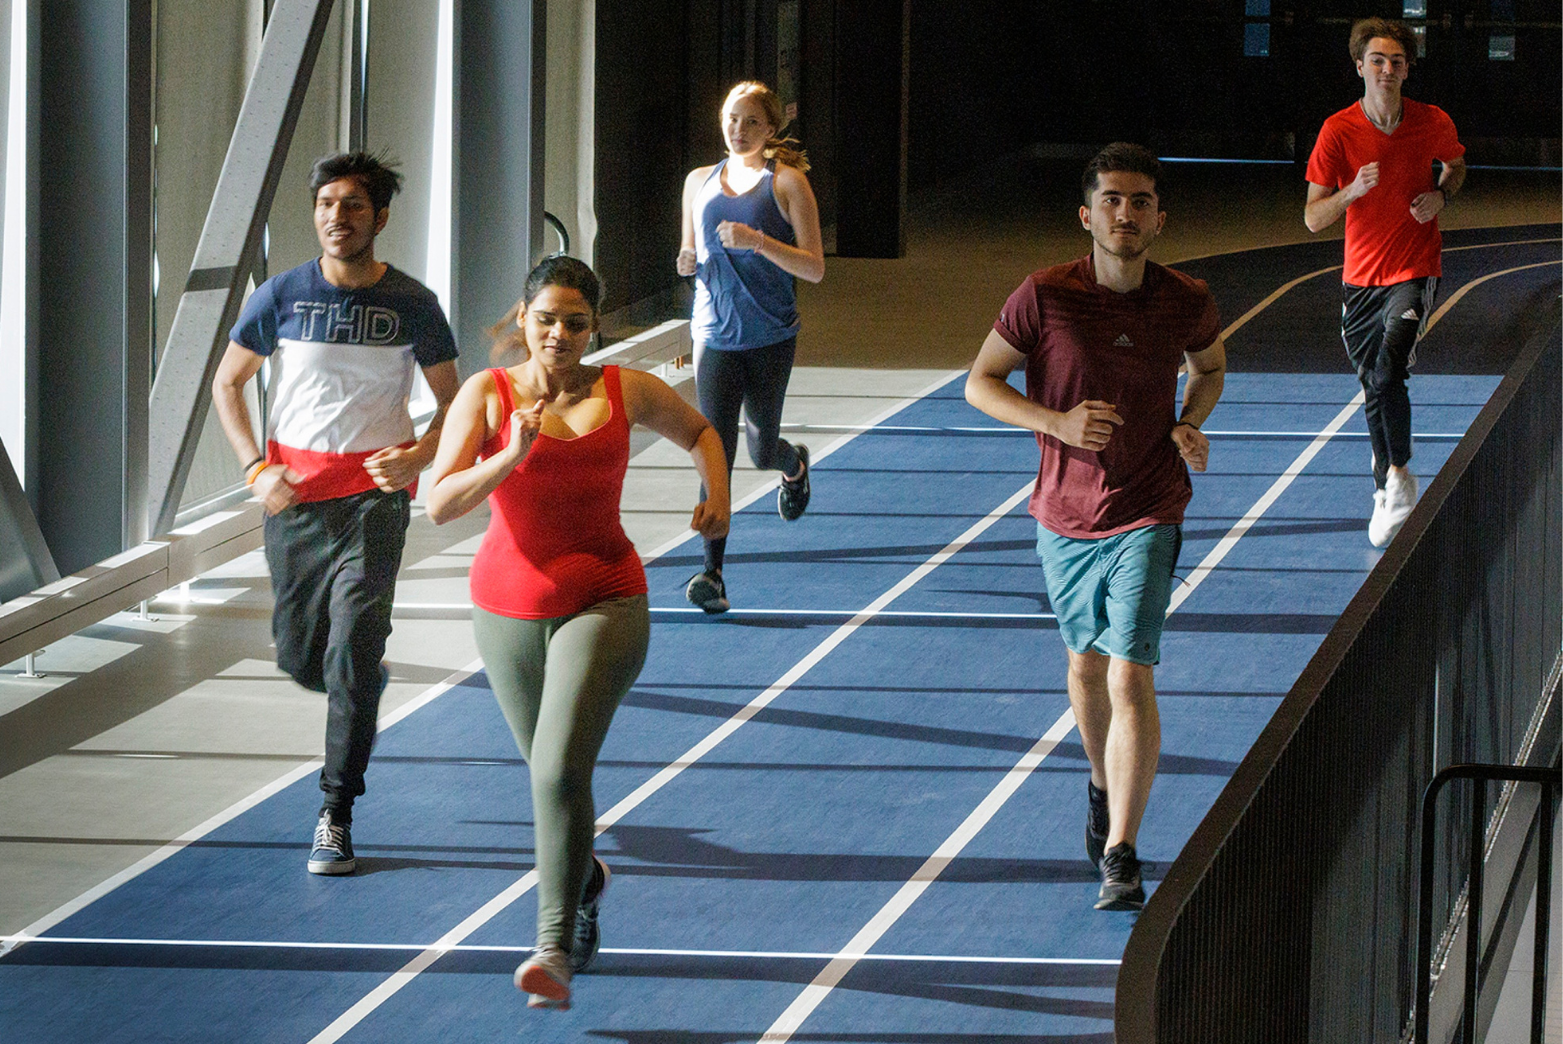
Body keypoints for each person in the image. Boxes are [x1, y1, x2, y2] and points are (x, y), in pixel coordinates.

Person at [425, 256, 729, 1009]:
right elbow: (439, 505)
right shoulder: (486, 396)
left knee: (558, 773)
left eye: (574, 321)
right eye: (545, 318)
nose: (558, 333)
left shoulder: (625, 390)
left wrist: (716, 495)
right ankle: (585, 875)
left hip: (606, 597)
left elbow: (701, 432)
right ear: (521, 319)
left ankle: (551, 949)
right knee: (550, 780)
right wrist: (512, 454)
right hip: (504, 609)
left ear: (595, 327)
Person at [964, 143, 1226, 911]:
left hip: (1149, 504)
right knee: (1083, 668)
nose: (1126, 213)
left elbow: (1208, 366)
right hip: (1063, 513)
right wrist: (1056, 422)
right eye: (1112, 199)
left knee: (1127, 669)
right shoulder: (1043, 296)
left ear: (1158, 217)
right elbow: (979, 383)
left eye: (1140, 201)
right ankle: (1099, 782)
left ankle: (1121, 849)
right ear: (1087, 214)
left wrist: (1187, 421)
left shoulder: (1183, 297)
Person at [212, 152, 460, 876]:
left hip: (375, 505)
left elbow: (457, 405)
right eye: (326, 204)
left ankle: (335, 811)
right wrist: (256, 468)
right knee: (301, 655)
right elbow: (230, 385)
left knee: (352, 648)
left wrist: (417, 457)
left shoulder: (414, 303)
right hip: (294, 504)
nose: (337, 217)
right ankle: (357, 684)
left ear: (379, 218)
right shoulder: (282, 296)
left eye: (353, 205)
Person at [1305, 17, 1466, 547]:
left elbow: (1457, 165)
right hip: (1360, 279)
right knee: (1375, 381)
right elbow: (1312, 218)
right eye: (1378, 60)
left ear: (1406, 69)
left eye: (1397, 62)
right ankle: (1387, 480)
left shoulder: (1432, 120)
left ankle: (1397, 478)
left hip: (1416, 269)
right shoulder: (1338, 131)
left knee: (1389, 366)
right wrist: (1351, 191)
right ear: (1360, 67)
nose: (1388, 69)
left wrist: (1442, 195)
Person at [676, 80, 825, 613]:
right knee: (714, 453)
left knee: (760, 450)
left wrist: (759, 241)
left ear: (770, 130)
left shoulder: (787, 184)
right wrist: (686, 262)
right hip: (713, 335)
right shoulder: (699, 182)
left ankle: (793, 465)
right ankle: (712, 574)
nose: (738, 130)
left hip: (769, 336)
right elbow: (688, 250)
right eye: (730, 119)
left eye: (750, 122)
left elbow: (814, 268)